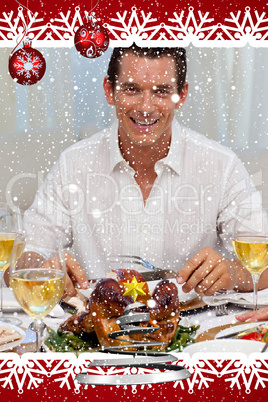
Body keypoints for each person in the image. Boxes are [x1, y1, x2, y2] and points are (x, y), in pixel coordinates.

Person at [21, 44, 268, 298]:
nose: (146, 107)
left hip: (197, 331)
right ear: (110, 90)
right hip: (95, 331)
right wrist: (39, 271)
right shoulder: (72, 165)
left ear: (181, 95)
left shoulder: (222, 165)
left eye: (161, 91)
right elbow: (24, 257)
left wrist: (234, 272)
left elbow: (264, 261)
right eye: (132, 89)